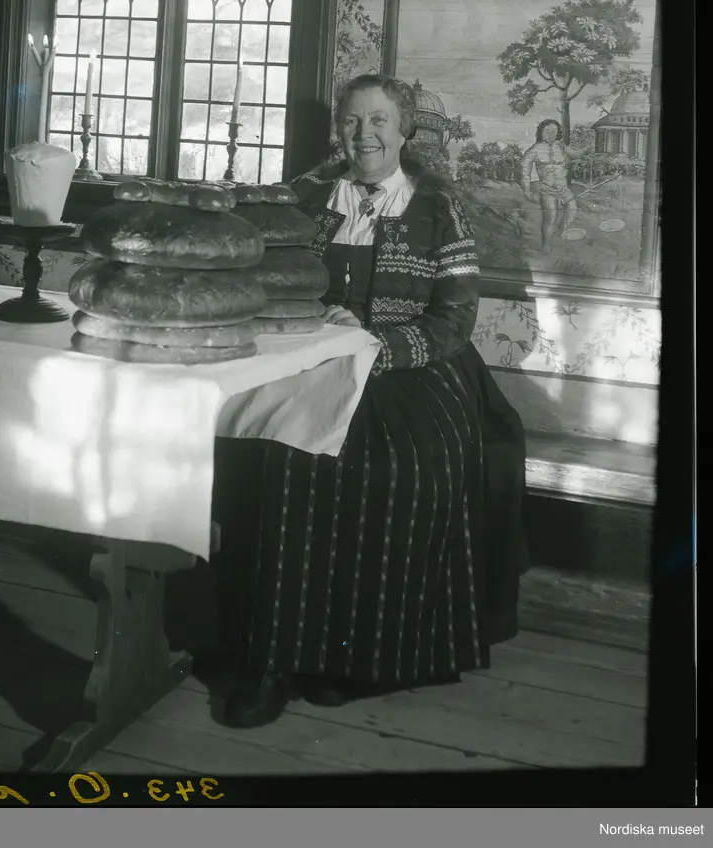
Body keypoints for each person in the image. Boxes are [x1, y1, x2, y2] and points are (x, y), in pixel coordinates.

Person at [212, 73, 528, 729]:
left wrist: (382, 345)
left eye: (379, 120)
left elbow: (456, 318)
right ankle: (272, 662)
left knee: (401, 467)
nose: (365, 135)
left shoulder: (438, 204)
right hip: (312, 356)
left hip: (414, 365)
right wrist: (313, 320)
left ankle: (357, 660)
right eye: (353, 120)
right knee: (285, 454)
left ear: (404, 129)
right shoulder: (303, 194)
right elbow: (259, 279)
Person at [520, 118, 583, 251]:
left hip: (563, 188)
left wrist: (587, 149)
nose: (550, 135)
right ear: (541, 132)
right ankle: (546, 246)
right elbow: (525, 167)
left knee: (572, 208)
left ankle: (560, 232)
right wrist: (526, 188)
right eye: (547, 131)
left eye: (553, 132)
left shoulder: (560, 146)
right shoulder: (536, 149)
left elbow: (575, 155)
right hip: (547, 190)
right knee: (550, 218)